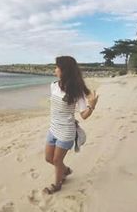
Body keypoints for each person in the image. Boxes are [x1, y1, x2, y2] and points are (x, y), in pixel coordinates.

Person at [43, 56, 99, 194]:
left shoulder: (76, 92)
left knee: (56, 160)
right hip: (53, 129)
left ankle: (57, 184)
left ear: (65, 71)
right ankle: (65, 170)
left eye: (57, 67)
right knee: (48, 158)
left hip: (66, 132)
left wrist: (91, 106)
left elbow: (83, 115)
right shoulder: (53, 86)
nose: (55, 70)